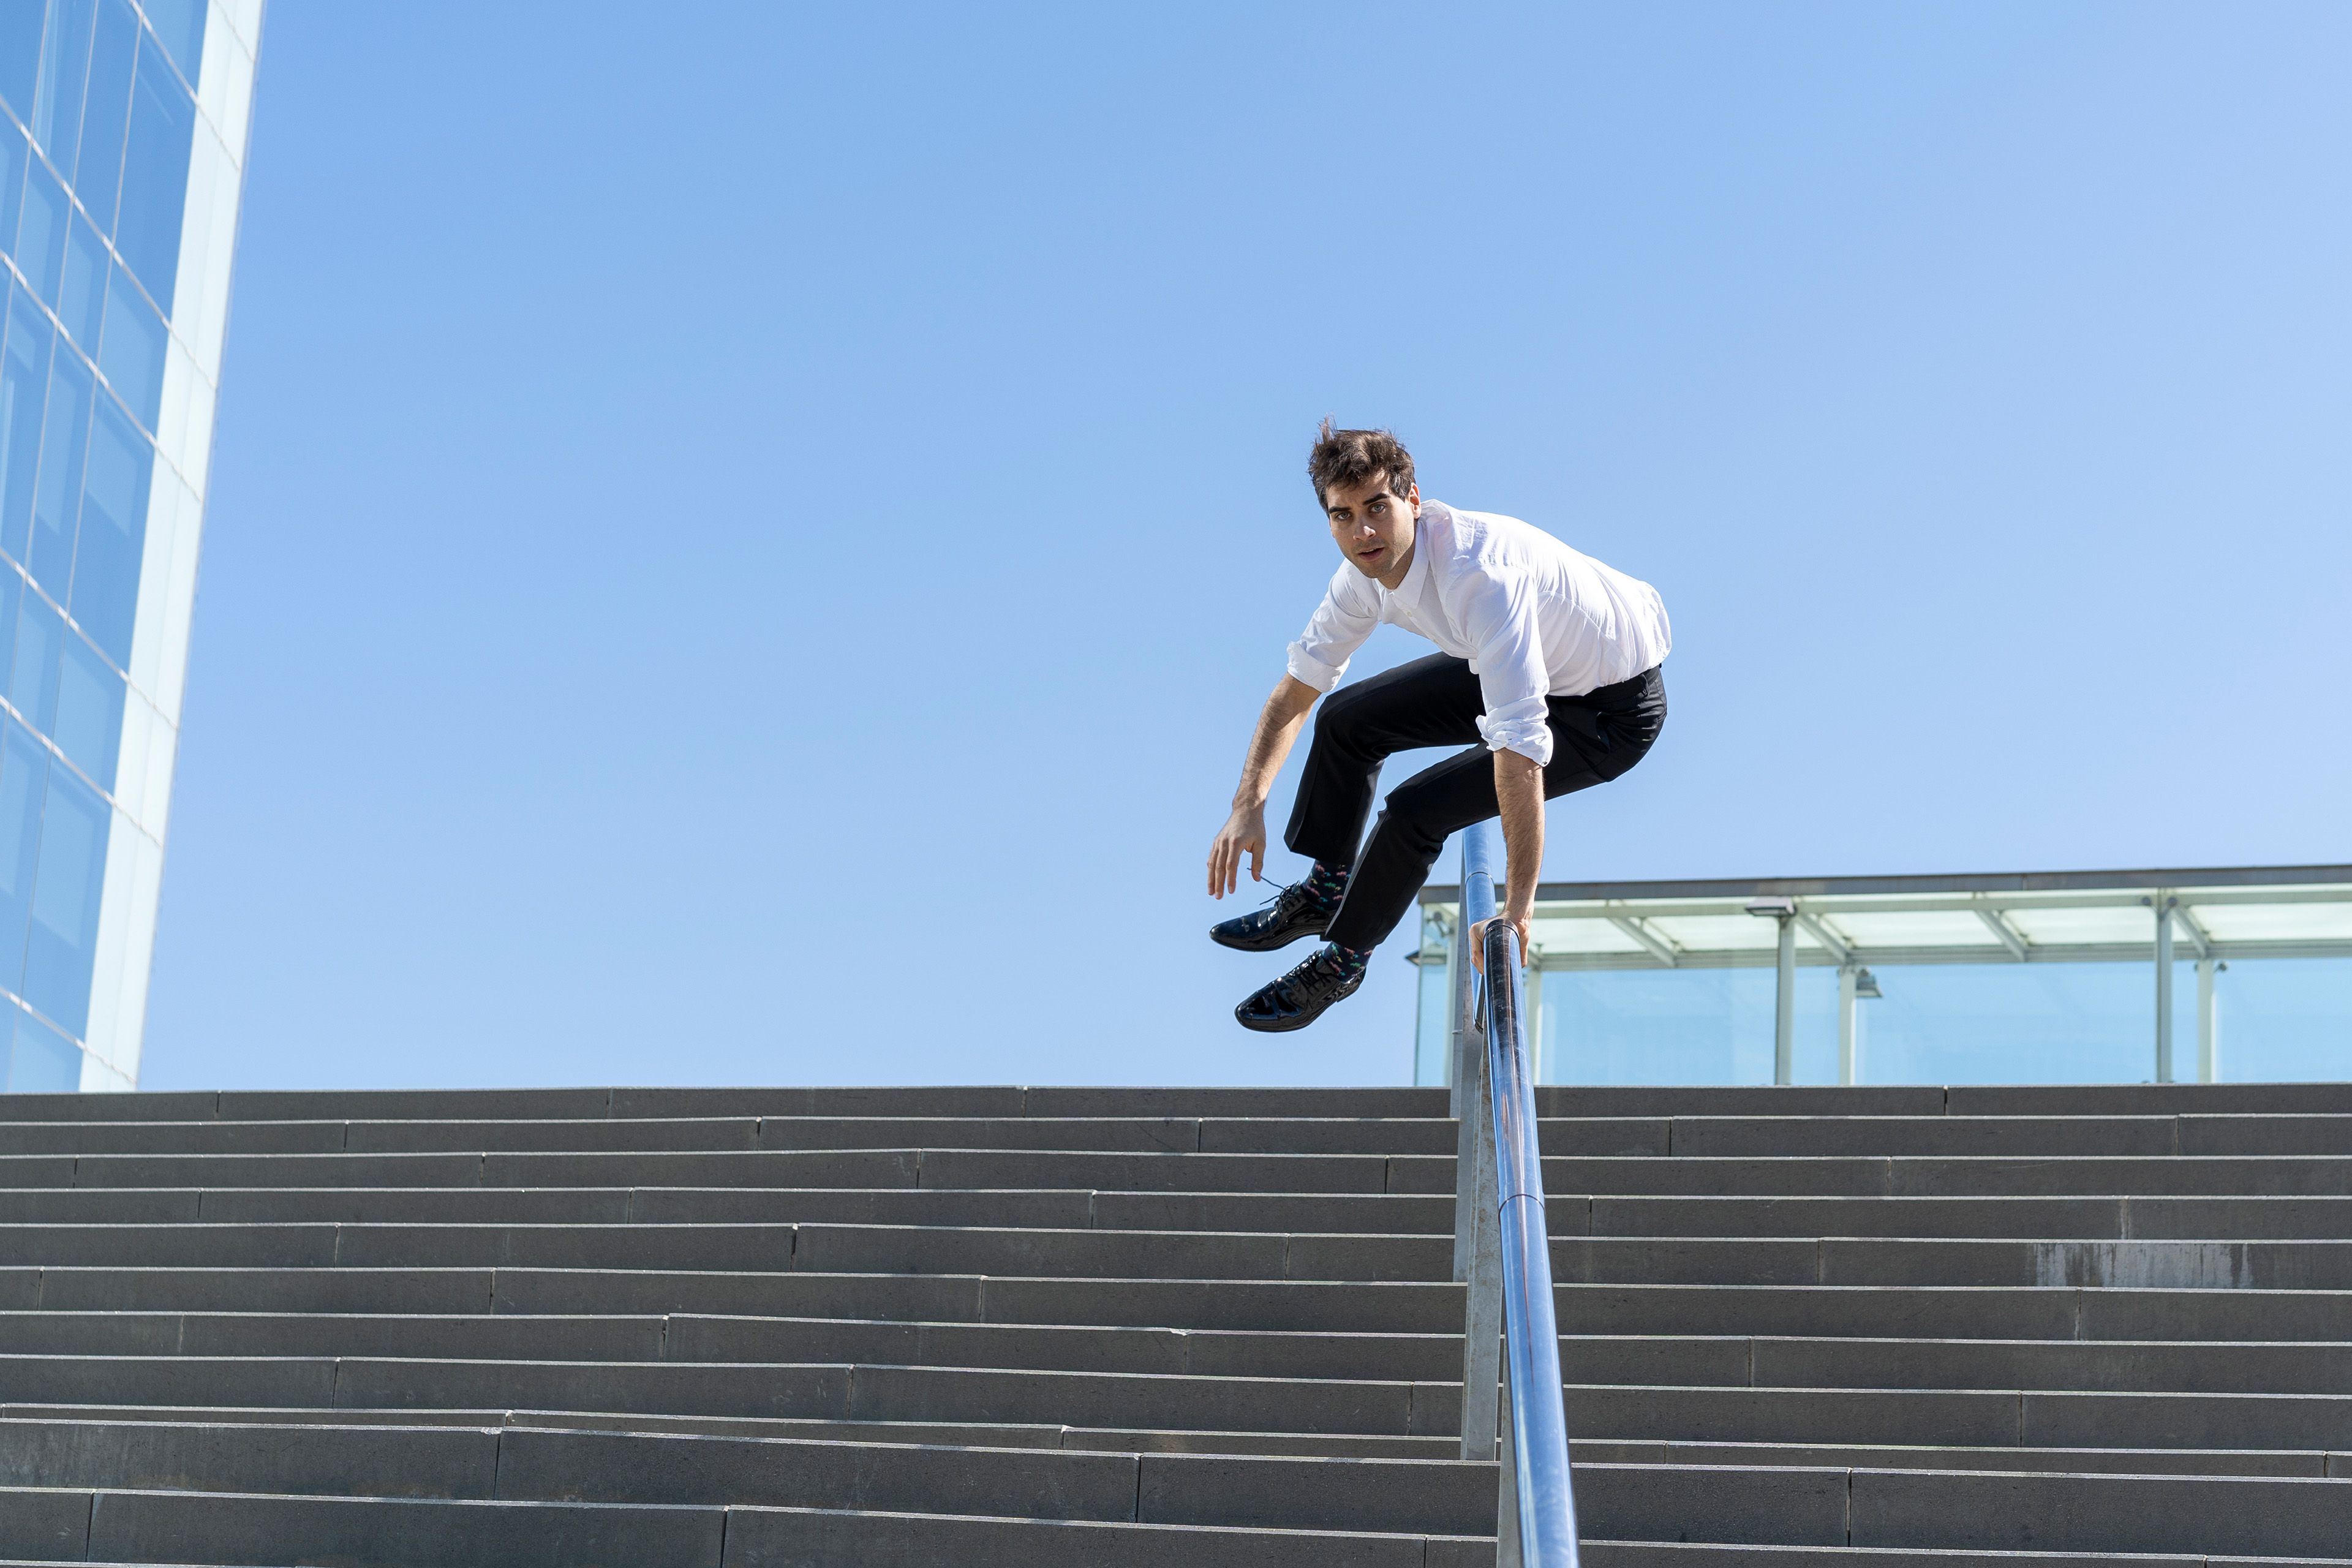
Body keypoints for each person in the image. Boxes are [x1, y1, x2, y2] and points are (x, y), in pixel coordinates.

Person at [1207, 423, 1672, 1031]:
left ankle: (1344, 959)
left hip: (1611, 712)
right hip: (1540, 666)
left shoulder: (1481, 579)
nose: (1363, 532)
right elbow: (1297, 688)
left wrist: (1519, 907)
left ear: (1414, 501)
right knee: (1347, 719)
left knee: (1416, 809)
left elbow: (1520, 750)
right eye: (1343, 516)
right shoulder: (1359, 580)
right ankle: (1327, 891)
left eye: (1377, 508)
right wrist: (1249, 804)